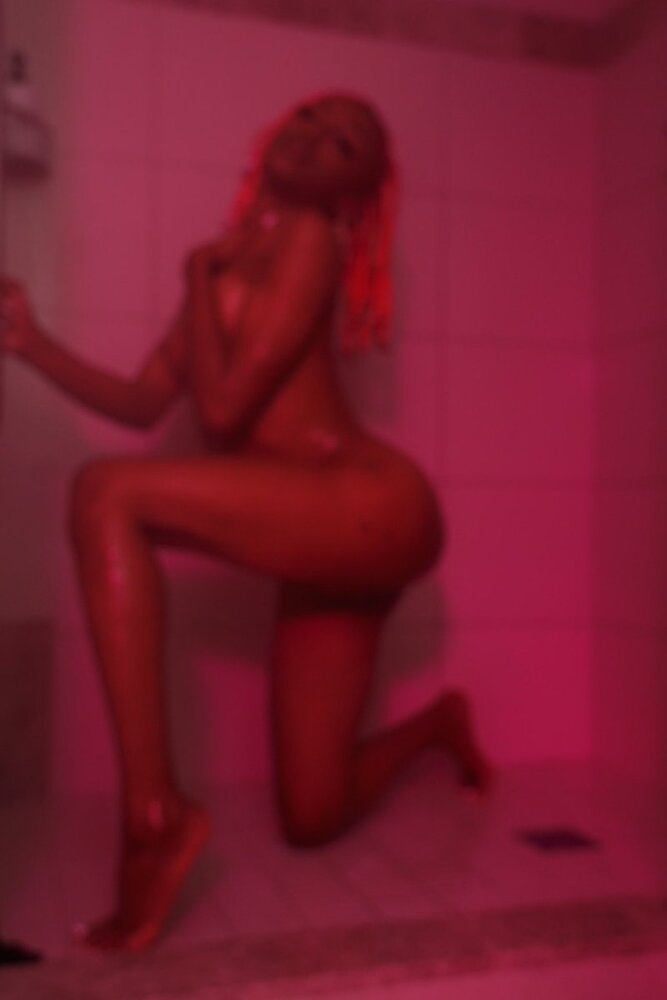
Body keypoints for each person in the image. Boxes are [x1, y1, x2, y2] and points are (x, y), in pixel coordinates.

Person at [0, 93, 492, 953]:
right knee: (313, 816)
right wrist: (29, 342)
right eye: (309, 117)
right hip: (333, 537)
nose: (314, 137)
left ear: (352, 195)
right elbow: (143, 401)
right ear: (273, 131)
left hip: (368, 502)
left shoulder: (312, 239)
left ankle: (154, 815)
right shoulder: (230, 264)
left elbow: (223, 415)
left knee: (105, 493)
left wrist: (195, 274)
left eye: (342, 144)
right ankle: (439, 724)